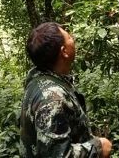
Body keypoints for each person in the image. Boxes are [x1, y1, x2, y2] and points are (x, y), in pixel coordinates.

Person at [19, 22, 112, 158]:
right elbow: (57, 155)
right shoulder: (52, 98)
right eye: (69, 37)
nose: (73, 38)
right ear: (64, 51)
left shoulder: (39, 81)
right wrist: (98, 148)